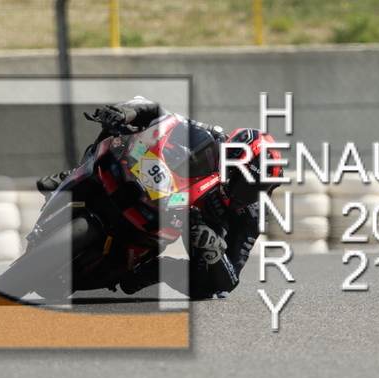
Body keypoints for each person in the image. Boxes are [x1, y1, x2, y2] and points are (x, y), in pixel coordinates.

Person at [36, 96, 283, 299]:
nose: (248, 194)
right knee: (117, 130)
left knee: (206, 288)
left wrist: (213, 250)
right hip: (165, 190)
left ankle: (153, 270)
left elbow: (230, 280)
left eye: (259, 188)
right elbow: (160, 114)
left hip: (196, 226)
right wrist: (124, 113)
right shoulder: (213, 138)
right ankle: (76, 172)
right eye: (246, 183)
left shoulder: (252, 215)